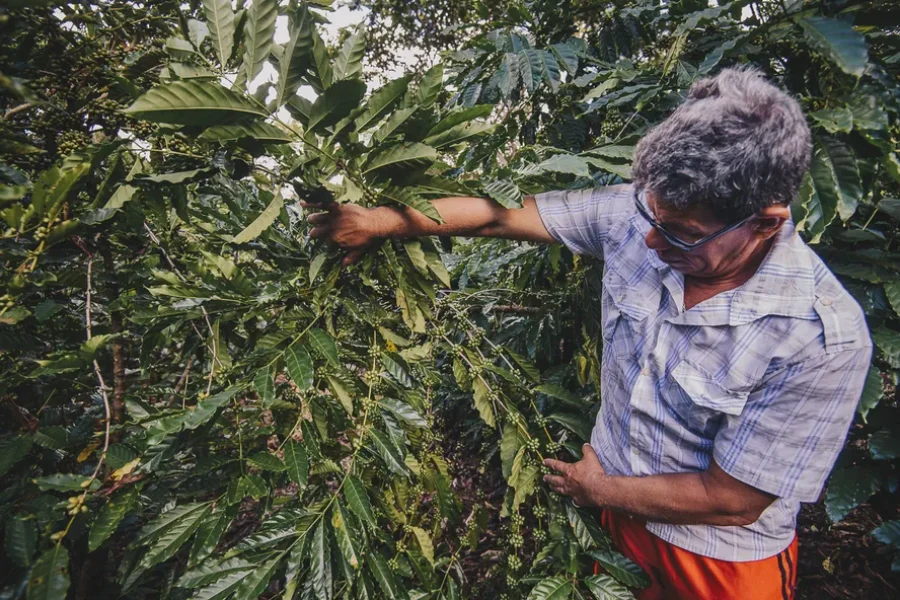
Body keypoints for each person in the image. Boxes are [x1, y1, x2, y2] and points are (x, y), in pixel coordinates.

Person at [303, 67, 872, 599]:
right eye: (649, 217)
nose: (650, 241)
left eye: (682, 234)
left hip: (719, 557)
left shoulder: (820, 336)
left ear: (765, 222)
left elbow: (736, 500)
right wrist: (378, 221)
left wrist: (597, 490)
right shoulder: (639, 217)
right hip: (614, 513)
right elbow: (500, 215)